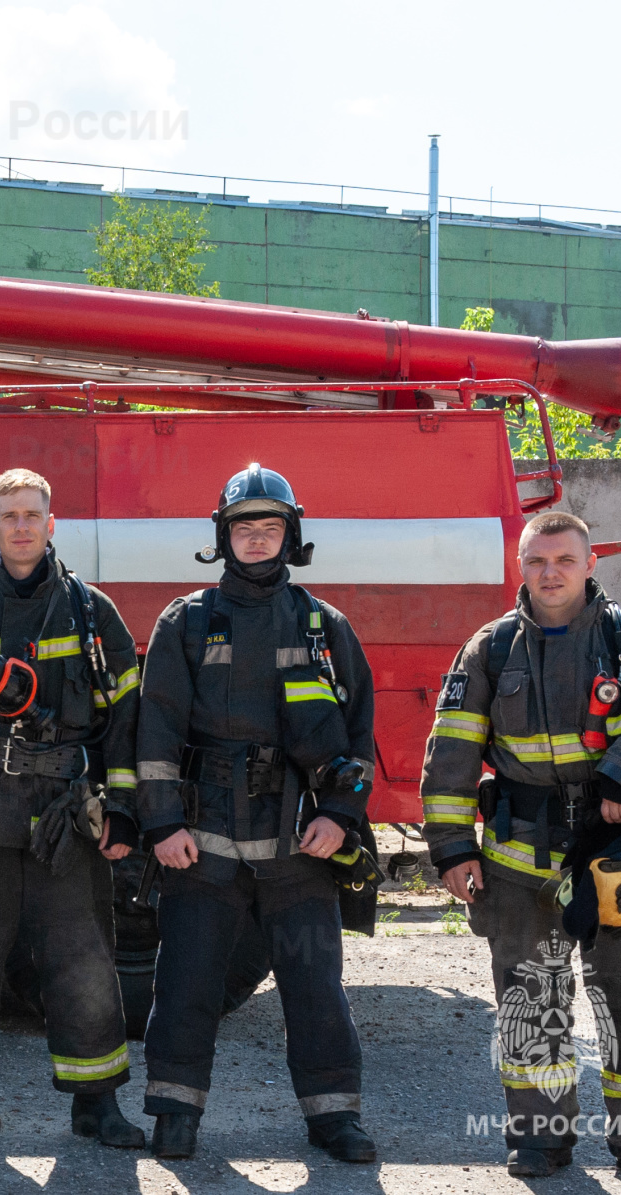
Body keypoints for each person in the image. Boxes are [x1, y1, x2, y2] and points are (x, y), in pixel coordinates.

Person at [422, 511, 621, 1189]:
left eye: (563, 559)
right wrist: (450, 850)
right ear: (520, 568)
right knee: (534, 1005)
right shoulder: (489, 650)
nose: (550, 572)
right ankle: (540, 1140)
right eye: (537, 561)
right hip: (519, 868)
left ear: (590, 565)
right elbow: (451, 757)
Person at [135, 463, 377, 1163]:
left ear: (290, 535)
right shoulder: (186, 622)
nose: (257, 538)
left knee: (314, 982)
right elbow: (154, 733)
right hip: (202, 838)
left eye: (270, 526)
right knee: (185, 978)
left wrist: (338, 815)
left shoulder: (324, 626)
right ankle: (175, 1113)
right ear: (224, 536)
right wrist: (161, 824)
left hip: (300, 839)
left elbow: (358, 738)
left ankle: (335, 1115)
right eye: (245, 527)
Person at [0, 468, 146, 1149]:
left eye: (31, 514)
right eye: (8, 515)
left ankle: (96, 1103)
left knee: (83, 962)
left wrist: (123, 810)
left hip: (66, 822)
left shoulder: (92, 614)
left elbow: (123, 722)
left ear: (52, 523)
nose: (20, 525)